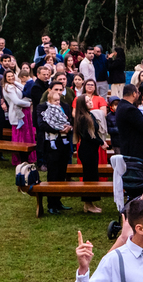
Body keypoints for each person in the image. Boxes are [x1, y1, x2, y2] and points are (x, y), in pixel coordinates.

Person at [34, 84, 74, 214]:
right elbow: (41, 124)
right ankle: (51, 203)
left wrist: (69, 127)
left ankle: (58, 201)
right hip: (51, 144)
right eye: (55, 89)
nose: (58, 92)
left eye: (60, 90)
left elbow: (70, 120)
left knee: (62, 172)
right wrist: (58, 128)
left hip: (64, 143)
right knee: (53, 173)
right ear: (50, 91)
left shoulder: (65, 106)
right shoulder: (42, 106)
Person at [73, 95, 104, 214]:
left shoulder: (89, 114)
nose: (90, 102)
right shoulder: (82, 118)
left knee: (92, 175)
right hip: (87, 150)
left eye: (90, 100)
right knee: (89, 176)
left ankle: (91, 203)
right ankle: (88, 203)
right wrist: (101, 143)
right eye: (87, 101)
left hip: (91, 149)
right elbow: (88, 136)